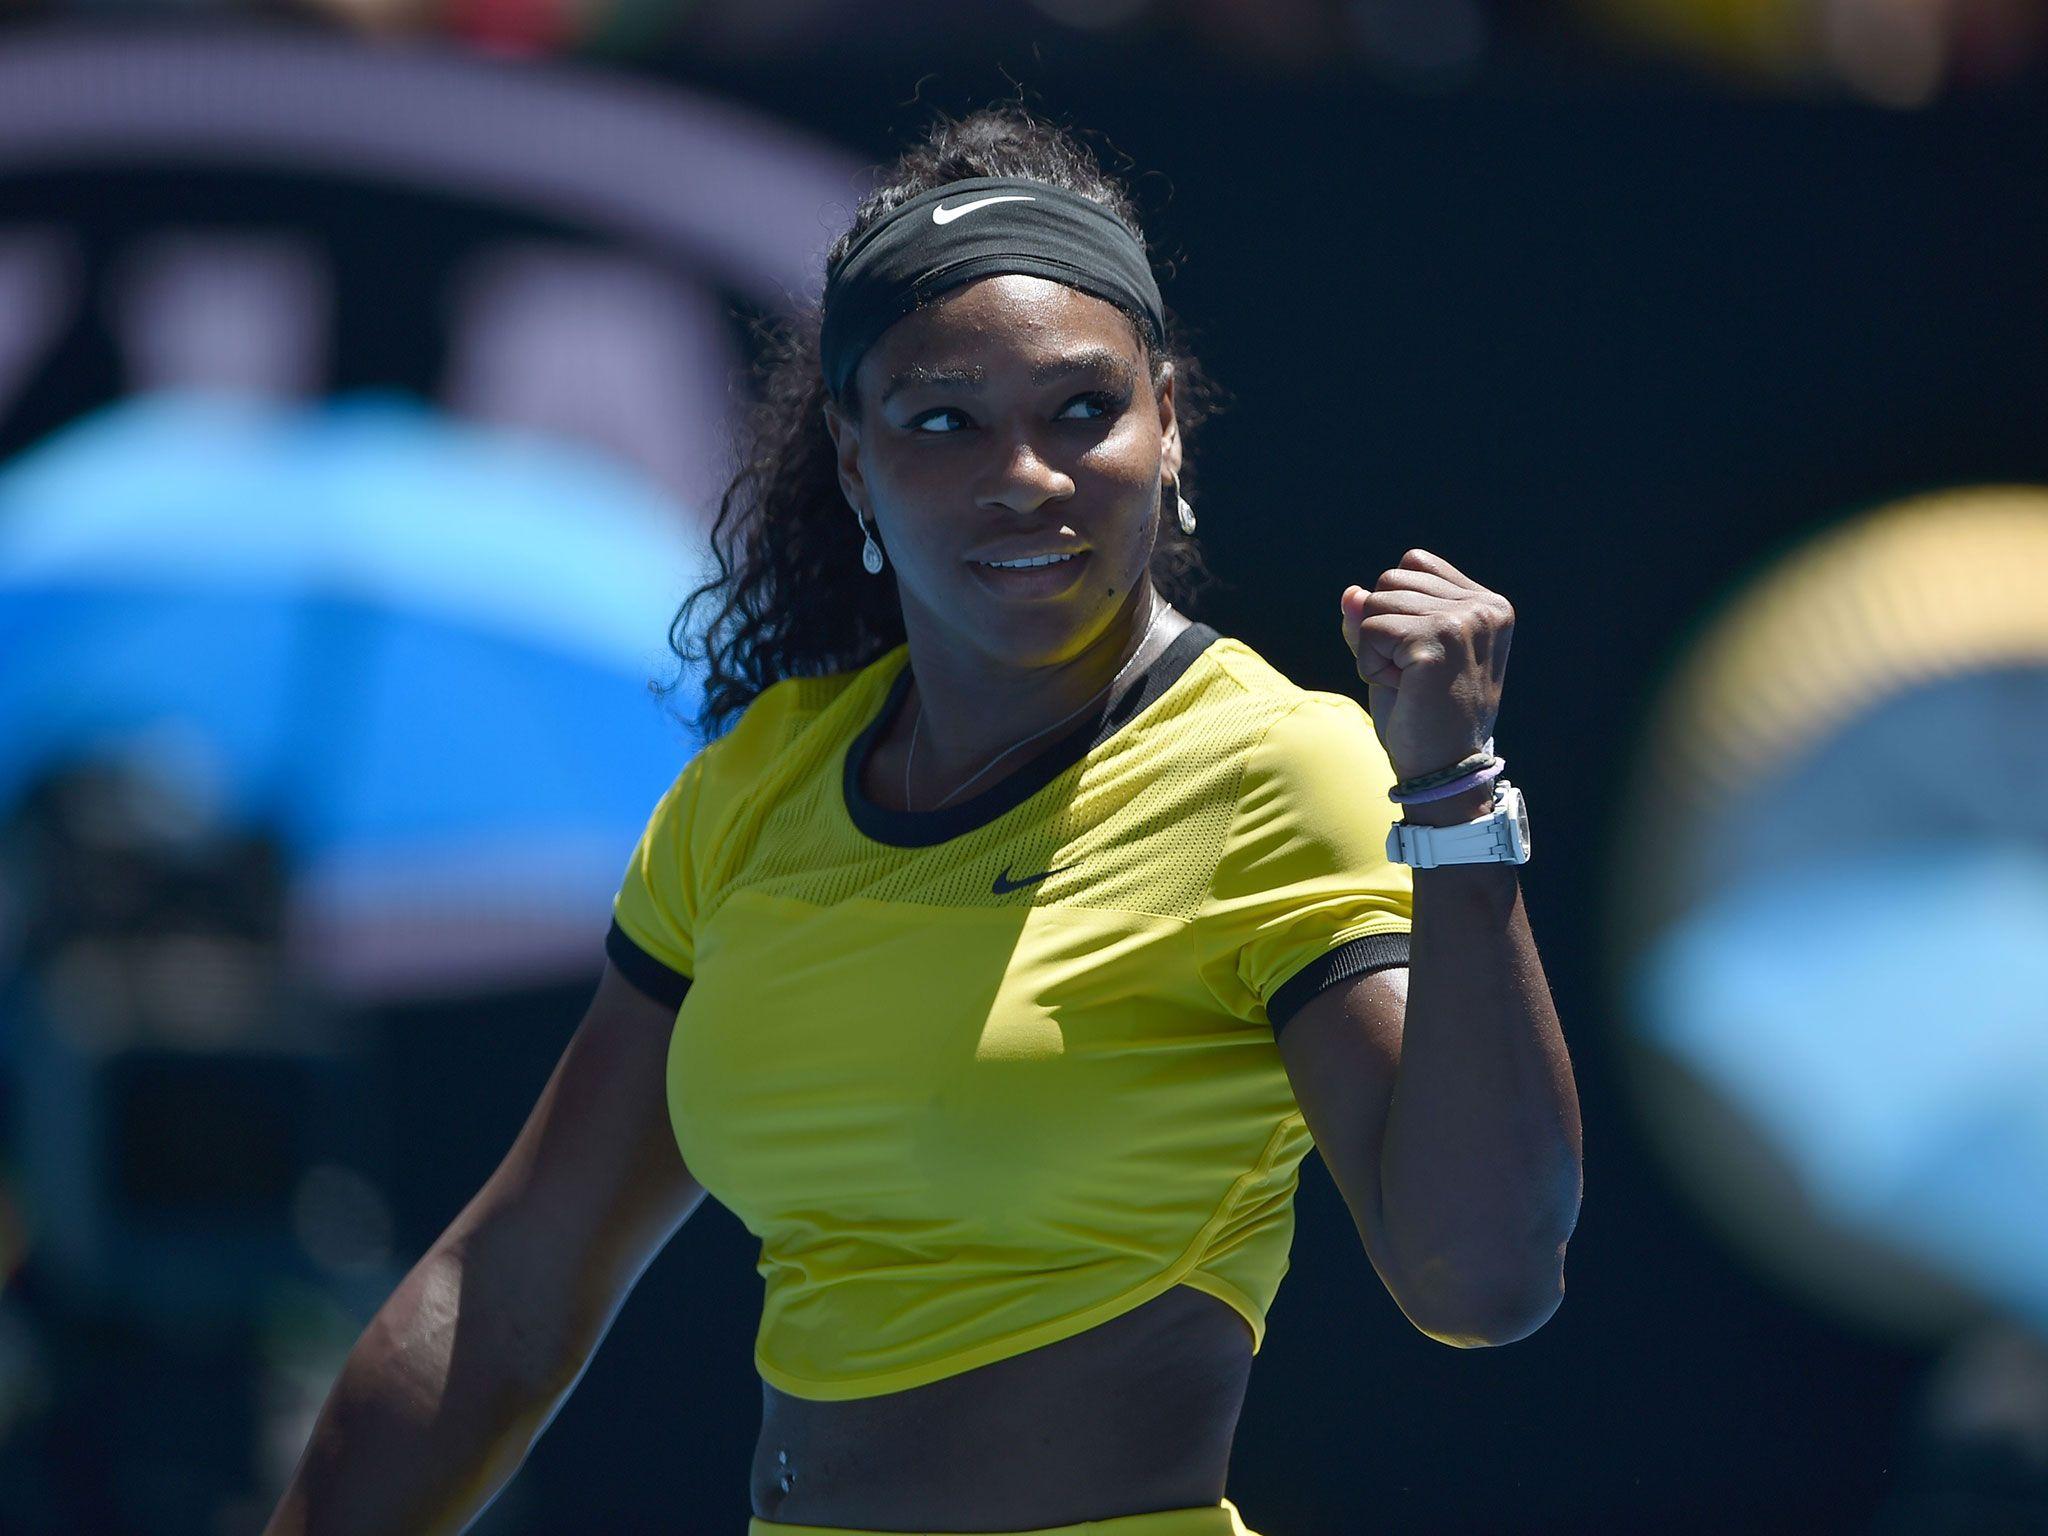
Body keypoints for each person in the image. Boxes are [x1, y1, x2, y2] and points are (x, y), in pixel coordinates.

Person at [262, 104, 1582, 1536]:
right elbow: (508, 1286)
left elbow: (1483, 1283)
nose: (1026, 475)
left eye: (1084, 410)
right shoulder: (758, 783)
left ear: (1169, 426)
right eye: (945, 421)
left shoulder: (1275, 770)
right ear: (853, 462)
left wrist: (1452, 802)